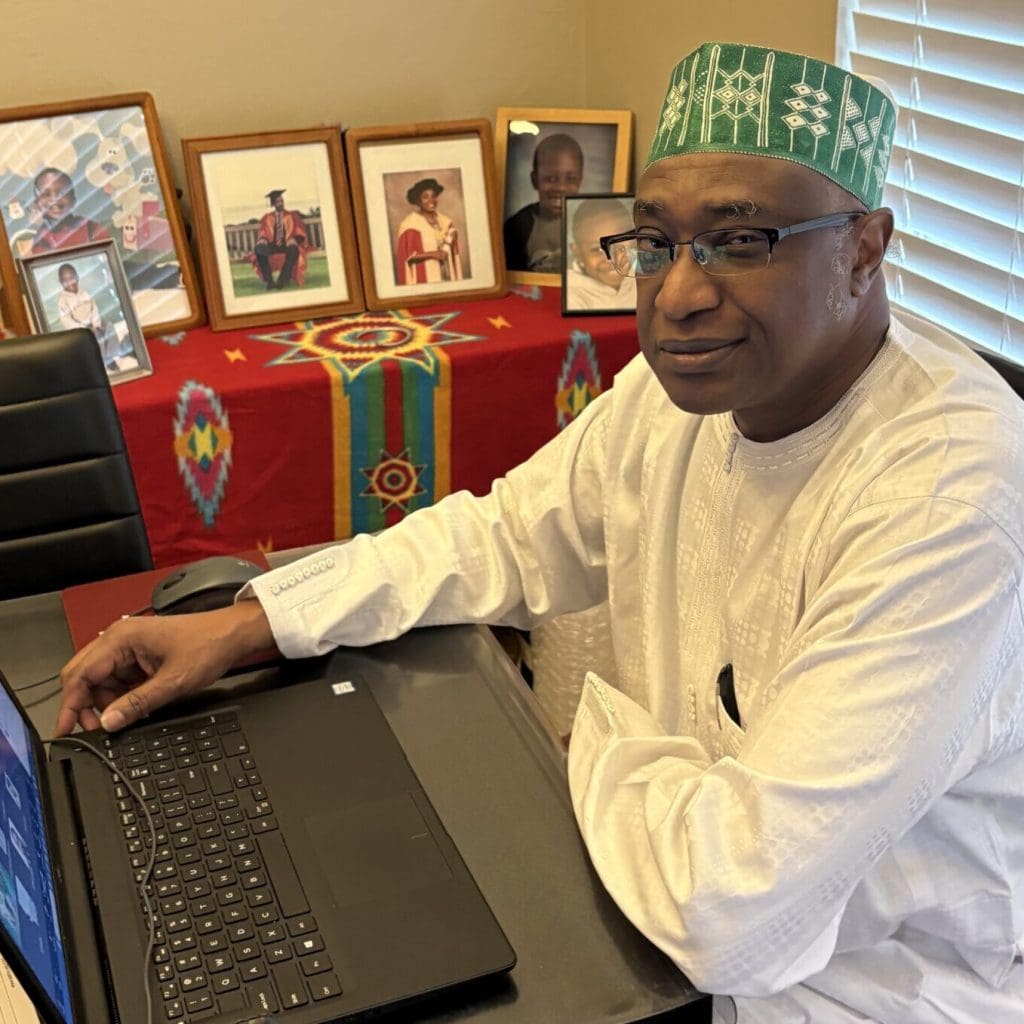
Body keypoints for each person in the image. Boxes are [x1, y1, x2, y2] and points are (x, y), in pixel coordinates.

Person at [57, 41, 1024, 1024]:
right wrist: (252, 619)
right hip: (647, 912)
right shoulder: (678, 396)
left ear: (865, 248)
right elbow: (508, 536)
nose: (679, 295)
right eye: (654, 242)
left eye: (741, 241)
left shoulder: (945, 498)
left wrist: (591, 739)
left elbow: (730, 907)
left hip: (852, 990)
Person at [503, 133, 583, 273]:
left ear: (580, 180)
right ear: (535, 180)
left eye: (570, 179)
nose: (561, 188)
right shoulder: (516, 228)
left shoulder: (591, 223)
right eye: (551, 179)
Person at [565, 197, 637, 310]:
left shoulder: (644, 280)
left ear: (633, 243)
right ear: (577, 253)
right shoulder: (571, 296)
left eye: (619, 246)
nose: (611, 259)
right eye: (597, 249)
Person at [394, 177, 462, 285]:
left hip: (447, 275)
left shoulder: (445, 221)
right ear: (418, 201)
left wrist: (453, 237)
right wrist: (432, 254)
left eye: (433, 196)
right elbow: (407, 258)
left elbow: (452, 250)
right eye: (425, 197)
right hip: (425, 278)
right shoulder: (410, 225)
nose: (431, 201)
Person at [30, 168, 111, 254]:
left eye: (62, 192)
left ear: (73, 200)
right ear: (37, 203)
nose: (54, 199)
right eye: (46, 194)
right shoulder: (40, 240)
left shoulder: (90, 228)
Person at [252, 189, 308, 290]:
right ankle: (269, 281)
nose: (281, 203)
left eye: (282, 201)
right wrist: (263, 239)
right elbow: (263, 232)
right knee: (259, 248)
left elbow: (300, 232)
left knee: (293, 250)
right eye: (278, 202)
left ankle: (283, 280)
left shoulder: (292, 216)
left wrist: (295, 239)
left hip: (286, 245)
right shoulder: (267, 218)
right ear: (273, 203)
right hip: (272, 245)